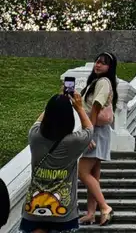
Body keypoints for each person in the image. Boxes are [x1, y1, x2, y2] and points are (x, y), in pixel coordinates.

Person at [20, 91, 93, 233]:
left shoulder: (34, 136)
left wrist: (55, 102)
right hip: (63, 212)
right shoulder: (74, 141)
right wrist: (79, 107)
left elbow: (39, 122)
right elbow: (89, 129)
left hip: (33, 211)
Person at [78, 53, 118, 226]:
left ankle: (104, 206)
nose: (98, 65)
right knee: (93, 174)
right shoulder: (97, 82)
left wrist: (89, 134)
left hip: (96, 131)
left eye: (103, 63)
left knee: (82, 172)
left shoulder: (103, 82)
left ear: (110, 67)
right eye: (97, 62)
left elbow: (95, 107)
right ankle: (91, 213)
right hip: (100, 131)